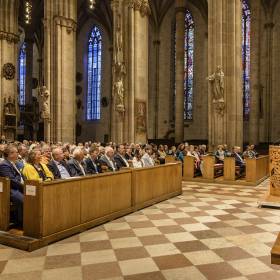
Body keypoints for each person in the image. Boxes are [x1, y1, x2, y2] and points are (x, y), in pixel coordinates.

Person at [0, 145, 24, 226]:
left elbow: (21, 176)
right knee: (23, 200)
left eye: (17, 152)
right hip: (10, 189)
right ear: (9, 154)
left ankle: (28, 219)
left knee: (34, 197)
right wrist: (24, 186)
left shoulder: (16, 163)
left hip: (19, 186)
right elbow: (12, 181)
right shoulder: (4, 165)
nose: (18, 154)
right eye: (15, 153)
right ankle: (21, 222)